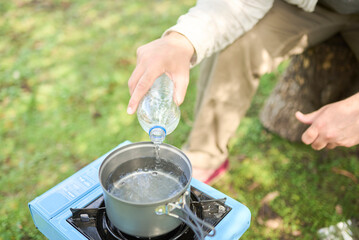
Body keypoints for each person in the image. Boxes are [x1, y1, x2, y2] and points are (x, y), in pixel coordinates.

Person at [127, 0, 359, 183]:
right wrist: (181, 39)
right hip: (308, 7)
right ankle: (205, 156)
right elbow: (236, 3)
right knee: (235, 44)